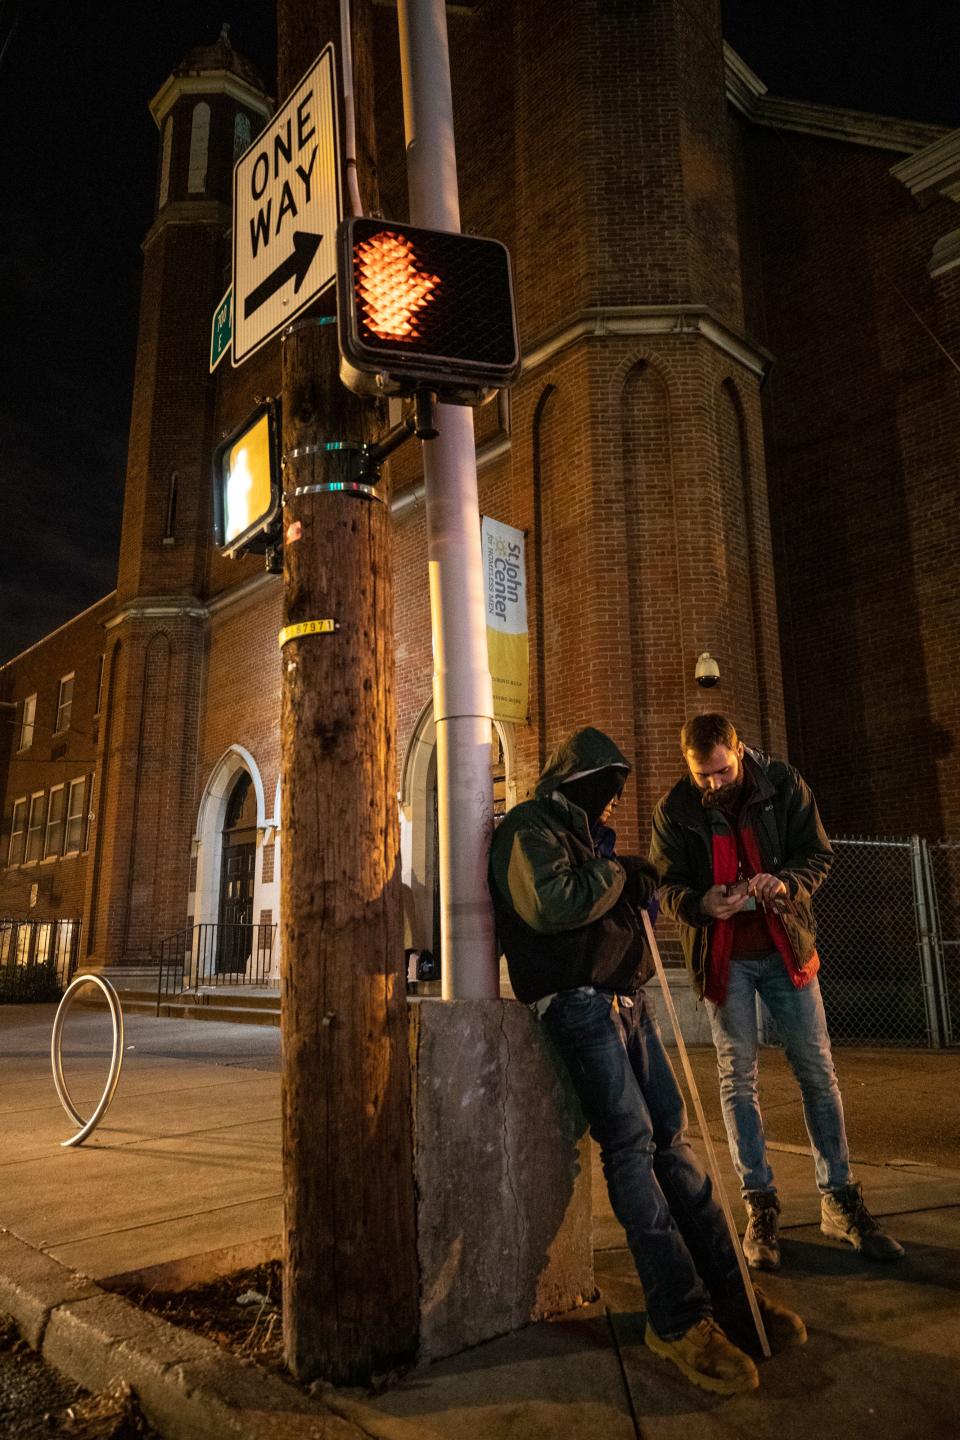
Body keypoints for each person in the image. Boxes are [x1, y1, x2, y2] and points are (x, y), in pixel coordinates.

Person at [489, 726, 806, 1396]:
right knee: (630, 1146)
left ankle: (731, 1297)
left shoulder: (589, 837)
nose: (610, 803)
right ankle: (677, 1316)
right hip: (577, 1002)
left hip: (625, 1000)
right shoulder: (529, 826)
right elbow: (552, 904)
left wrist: (631, 882)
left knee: (675, 1146)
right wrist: (618, 873)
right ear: (572, 781)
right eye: (601, 788)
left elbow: (620, 897)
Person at [650, 712, 903, 1270]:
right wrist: (700, 904)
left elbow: (818, 854)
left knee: (817, 1071)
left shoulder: (785, 784)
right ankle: (759, 1206)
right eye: (702, 777)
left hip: (785, 947)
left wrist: (784, 882)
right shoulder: (676, 809)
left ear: (739, 751)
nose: (712, 785)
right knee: (737, 1079)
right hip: (725, 960)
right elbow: (666, 886)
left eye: (720, 771)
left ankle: (839, 1199)